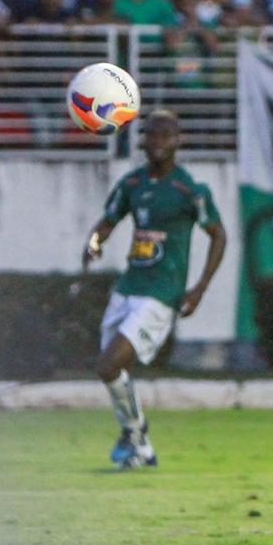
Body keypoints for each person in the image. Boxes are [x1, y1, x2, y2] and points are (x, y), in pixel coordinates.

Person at [82, 110, 227, 469]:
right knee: (113, 371)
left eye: (166, 135)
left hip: (161, 294)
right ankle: (140, 444)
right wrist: (95, 242)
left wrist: (200, 289)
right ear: (143, 141)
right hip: (128, 287)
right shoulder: (133, 185)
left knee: (108, 364)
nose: (158, 142)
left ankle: (135, 431)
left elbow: (219, 235)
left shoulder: (190, 190)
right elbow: (108, 220)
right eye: (152, 135)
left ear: (178, 141)